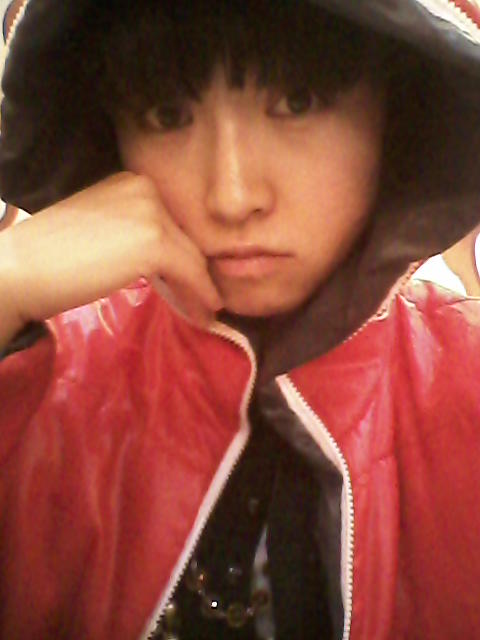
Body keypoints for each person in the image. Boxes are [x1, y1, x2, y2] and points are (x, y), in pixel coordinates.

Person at [0, 1, 480, 639]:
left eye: (299, 101)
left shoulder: (465, 386)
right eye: (167, 114)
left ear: (398, 111)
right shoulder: (47, 375)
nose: (232, 196)